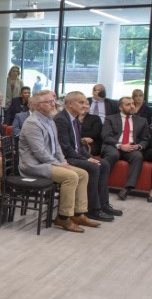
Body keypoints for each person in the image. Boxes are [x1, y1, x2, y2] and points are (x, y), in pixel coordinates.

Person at [19, 90, 96, 232]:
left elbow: (57, 146)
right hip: (34, 166)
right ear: (37, 106)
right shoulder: (32, 123)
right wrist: (59, 164)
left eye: (52, 101)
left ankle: (78, 214)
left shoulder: (50, 120)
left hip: (50, 162)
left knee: (83, 174)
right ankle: (63, 217)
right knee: (71, 176)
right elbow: (39, 152)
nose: (53, 104)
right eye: (48, 102)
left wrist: (63, 161)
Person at [56, 91, 118, 221]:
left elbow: (79, 145)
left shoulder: (75, 119)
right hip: (65, 158)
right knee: (94, 167)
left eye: (85, 102)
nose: (84, 105)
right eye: (81, 102)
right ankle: (92, 209)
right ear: (70, 104)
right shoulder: (61, 120)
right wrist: (86, 159)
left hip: (75, 155)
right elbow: (65, 148)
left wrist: (89, 156)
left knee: (103, 163)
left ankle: (103, 203)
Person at [102, 95, 149, 200]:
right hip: (114, 145)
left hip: (131, 147)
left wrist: (139, 145)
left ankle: (127, 189)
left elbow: (145, 139)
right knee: (113, 154)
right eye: (128, 104)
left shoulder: (142, 121)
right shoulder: (111, 118)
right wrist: (120, 145)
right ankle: (101, 182)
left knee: (138, 156)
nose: (132, 106)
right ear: (120, 107)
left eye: (133, 104)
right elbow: (106, 136)